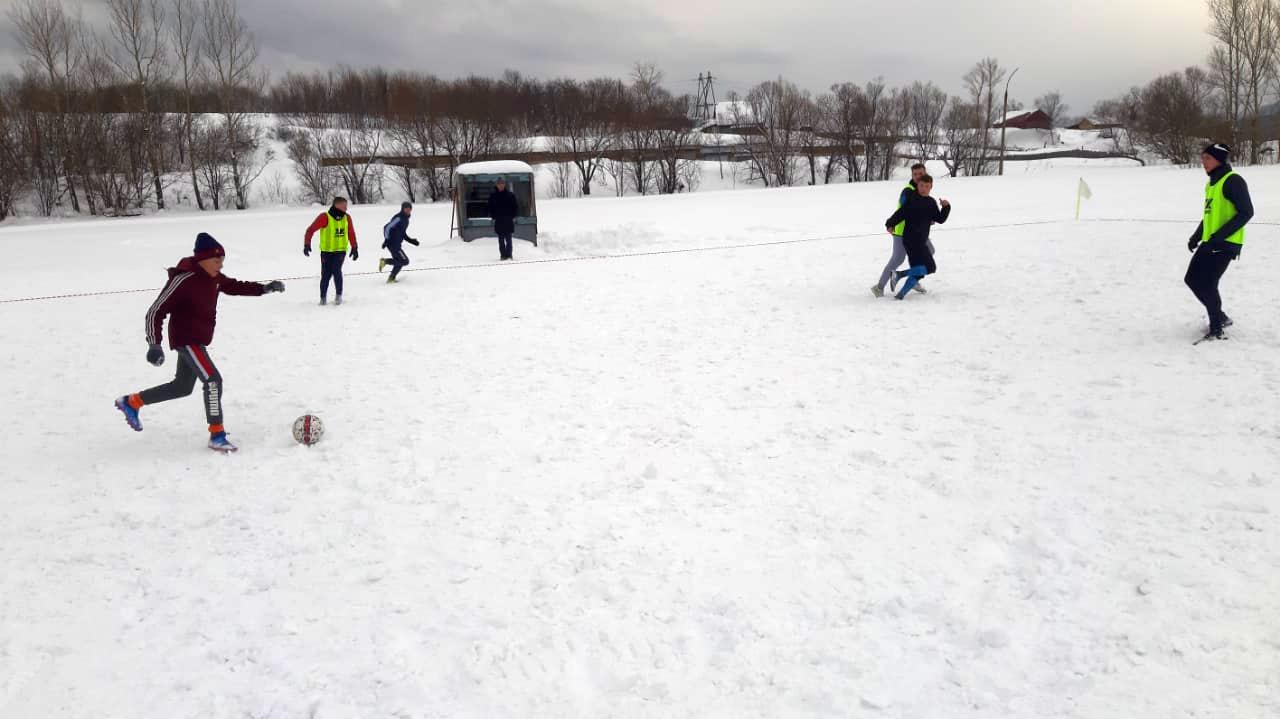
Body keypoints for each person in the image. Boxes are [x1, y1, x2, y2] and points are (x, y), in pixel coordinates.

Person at [114, 233, 285, 453]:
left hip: (198, 340)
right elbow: (155, 311)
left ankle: (132, 402)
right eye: (217, 261)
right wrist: (154, 344)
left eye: (222, 261)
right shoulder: (183, 279)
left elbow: (235, 286)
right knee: (213, 380)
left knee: (182, 387)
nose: (220, 265)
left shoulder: (214, 277)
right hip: (187, 339)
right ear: (203, 259)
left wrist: (264, 288)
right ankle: (217, 434)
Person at [1186, 142, 1253, 342]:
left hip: (1224, 244)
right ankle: (1220, 317)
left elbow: (1246, 213)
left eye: (1207, 158)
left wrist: (1218, 237)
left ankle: (1216, 327)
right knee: (1192, 279)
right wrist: (1196, 236)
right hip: (1210, 242)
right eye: (1202, 158)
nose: (1203, 162)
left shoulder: (1233, 181)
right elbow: (1209, 216)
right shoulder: (1212, 184)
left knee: (1207, 283)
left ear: (1219, 159)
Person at [884, 174, 951, 300]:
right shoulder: (912, 199)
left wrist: (946, 207)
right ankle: (898, 275)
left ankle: (900, 293)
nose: (924, 188)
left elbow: (940, 219)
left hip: (921, 240)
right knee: (927, 267)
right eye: (921, 186)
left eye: (927, 186)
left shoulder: (931, 202)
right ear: (917, 186)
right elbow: (900, 214)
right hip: (910, 239)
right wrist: (890, 223)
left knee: (923, 270)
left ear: (931, 187)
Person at [873, 163, 931, 298]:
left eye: (920, 174)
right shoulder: (908, 191)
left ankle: (914, 279)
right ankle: (879, 287)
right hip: (902, 232)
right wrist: (891, 223)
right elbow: (903, 211)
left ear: (925, 174)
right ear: (912, 176)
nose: (918, 176)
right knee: (898, 259)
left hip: (917, 232)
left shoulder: (923, 189)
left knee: (927, 252)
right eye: (915, 174)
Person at [303, 196, 359, 305]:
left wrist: (354, 247)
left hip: (340, 251)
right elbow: (310, 230)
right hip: (326, 252)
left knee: (336, 271)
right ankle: (323, 298)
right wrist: (307, 244)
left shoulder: (347, 218)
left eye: (346, 207)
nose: (346, 209)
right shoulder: (325, 217)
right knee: (326, 275)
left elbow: (351, 233)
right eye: (344, 207)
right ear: (336, 205)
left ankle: (338, 296)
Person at [380, 201, 420, 283]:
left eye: (409, 209)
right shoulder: (399, 218)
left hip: (396, 244)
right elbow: (387, 227)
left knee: (399, 261)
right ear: (402, 209)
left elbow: (402, 233)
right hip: (392, 244)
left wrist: (411, 241)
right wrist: (386, 240)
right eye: (406, 209)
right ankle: (385, 261)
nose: (408, 210)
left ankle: (391, 278)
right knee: (405, 261)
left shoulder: (406, 220)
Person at [488, 178, 520, 261]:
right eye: (499, 184)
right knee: (501, 240)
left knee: (509, 239)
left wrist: (513, 216)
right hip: (499, 221)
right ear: (496, 185)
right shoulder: (493, 196)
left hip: (508, 220)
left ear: (504, 185)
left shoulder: (510, 195)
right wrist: (493, 217)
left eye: (502, 183)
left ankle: (509, 255)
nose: (500, 185)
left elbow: (515, 207)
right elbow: (490, 207)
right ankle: (503, 256)